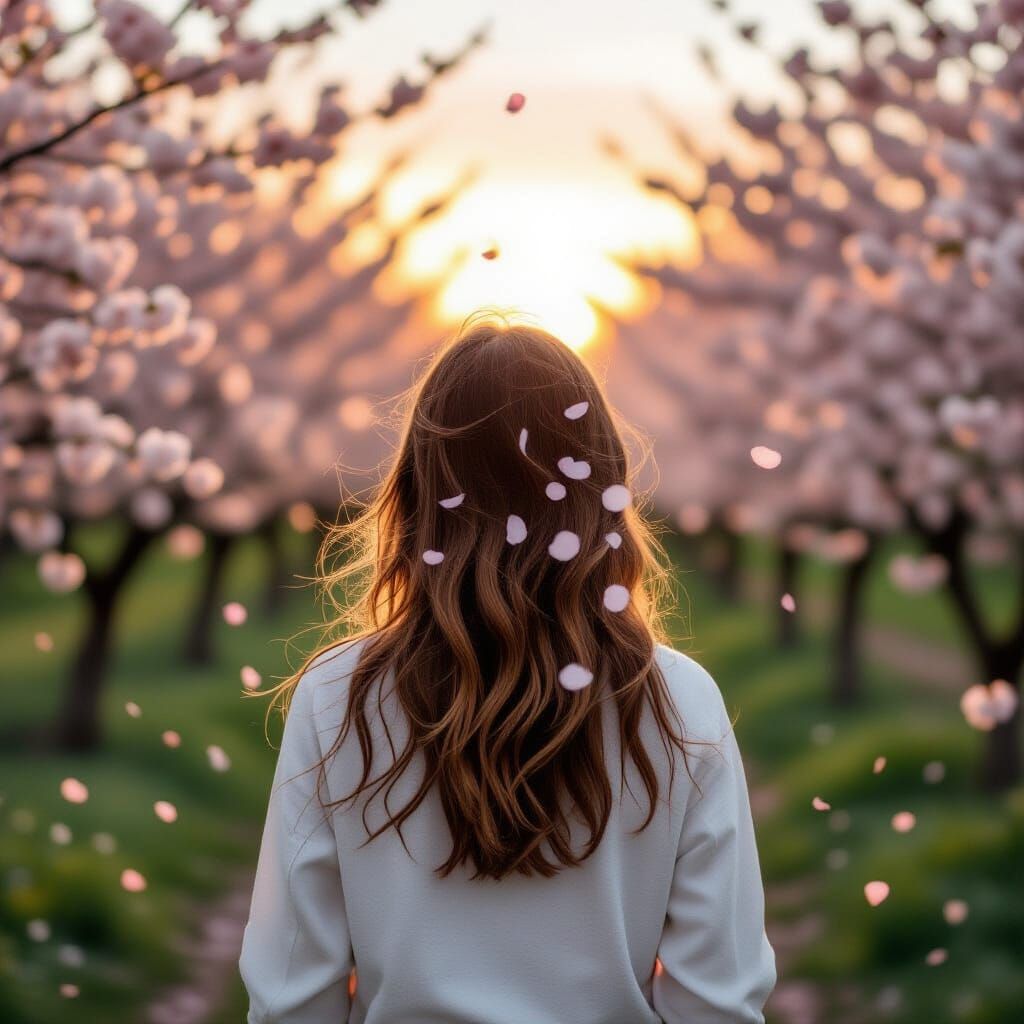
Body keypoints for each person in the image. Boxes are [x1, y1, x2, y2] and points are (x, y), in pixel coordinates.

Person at [239, 316, 777, 1023]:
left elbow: (291, 998)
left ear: (420, 491)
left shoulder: (337, 697)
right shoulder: (678, 701)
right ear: (602, 488)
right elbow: (718, 1002)